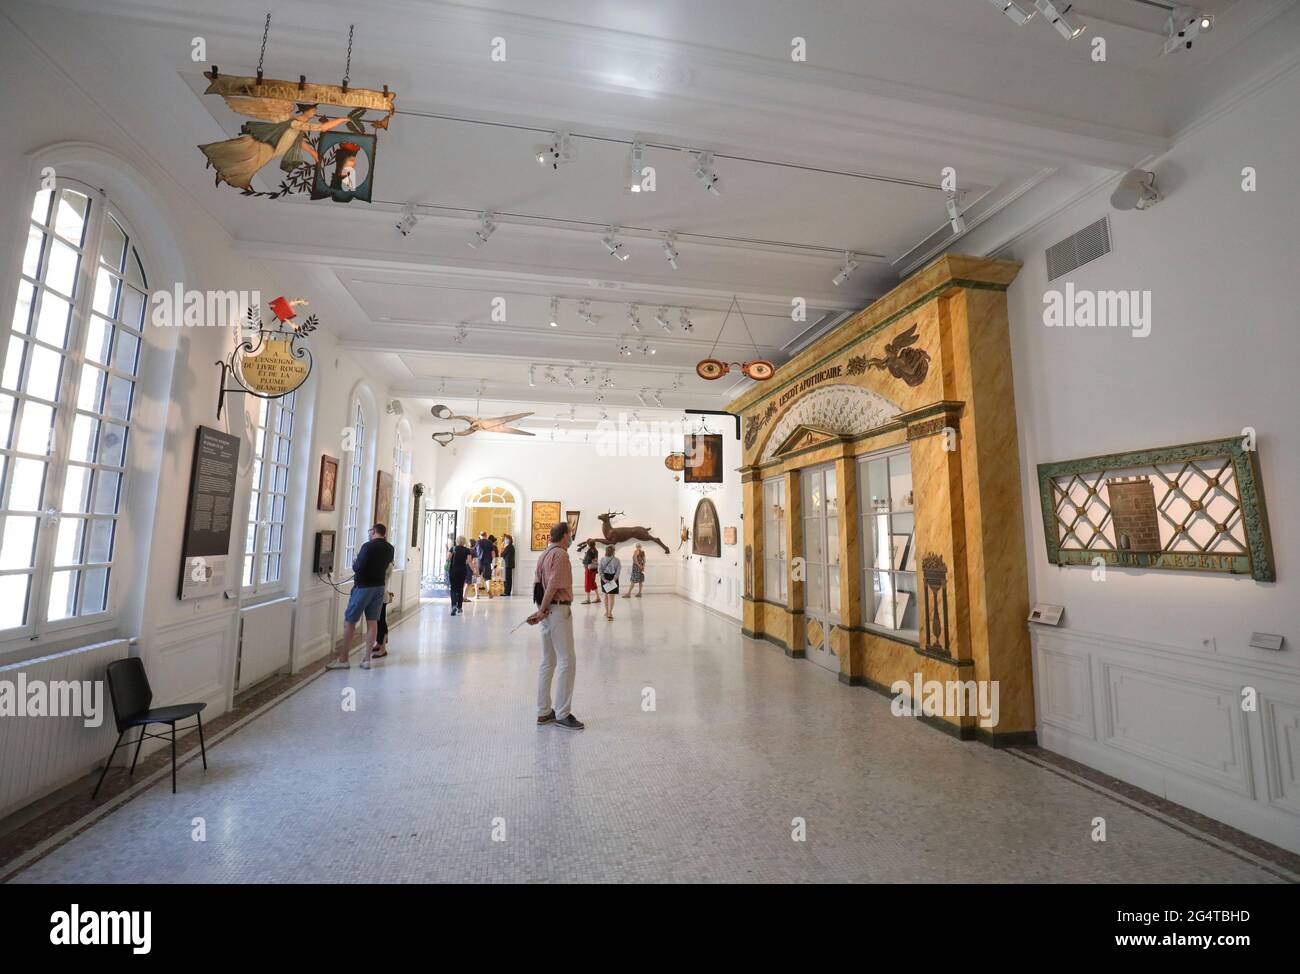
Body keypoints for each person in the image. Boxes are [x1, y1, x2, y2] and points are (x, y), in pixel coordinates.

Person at [528, 522, 583, 730]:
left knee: (548, 661)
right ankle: (562, 713)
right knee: (567, 661)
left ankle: (544, 711)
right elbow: (552, 584)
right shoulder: (560, 554)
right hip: (558, 611)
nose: (571, 539)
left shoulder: (544, 554)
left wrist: (541, 610)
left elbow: (537, 585)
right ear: (565, 535)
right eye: (570, 535)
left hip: (548, 612)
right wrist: (542, 610)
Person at [327, 524, 394, 670]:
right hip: (379, 587)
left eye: (371, 531)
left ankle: (344, 659)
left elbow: (358, 568)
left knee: (349, 621)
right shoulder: (390, 548)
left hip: (364, 587)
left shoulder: (367, 547)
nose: (370, 534)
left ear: (374, 532)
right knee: (372, 622)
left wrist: (355, 561)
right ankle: (366, 659)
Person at [448, 535, 476, 616]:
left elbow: (448, 558)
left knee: (453, 589)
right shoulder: (467, 550)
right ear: (464, 542)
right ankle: (459, 607)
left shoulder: (453, 548)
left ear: (457, 541)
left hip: (453, 570)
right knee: (460, 589)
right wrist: (474, 570)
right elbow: (470, 561)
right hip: (462, 571)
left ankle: (453, 606)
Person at [598, 544, 621, 621]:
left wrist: (604, 579)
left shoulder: (602, 559)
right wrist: (614, 580)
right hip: (613, 578)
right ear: (613, 551)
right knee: (611, 597)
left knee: (605, 596)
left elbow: (600, 570)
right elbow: (618, 571)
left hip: (605, 578)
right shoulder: (617, 560)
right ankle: (610, 613)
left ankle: (607, 611)